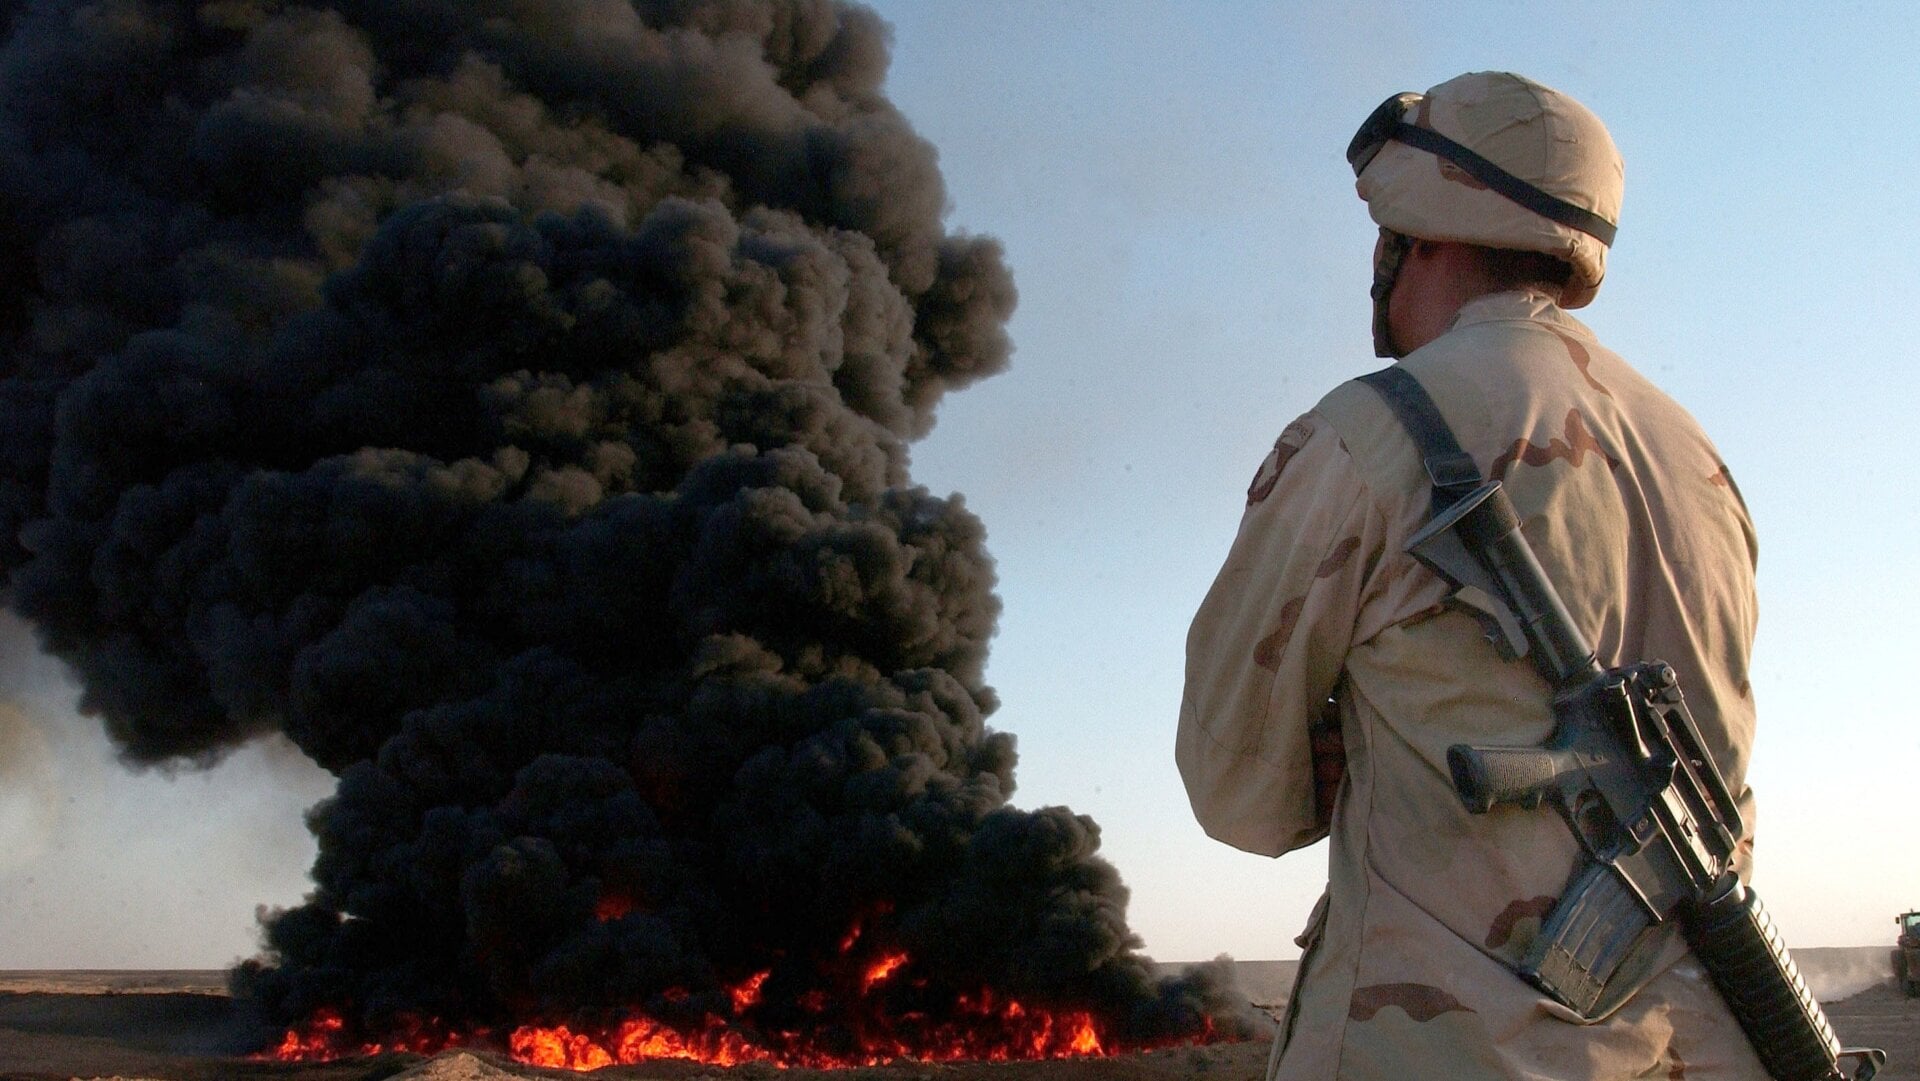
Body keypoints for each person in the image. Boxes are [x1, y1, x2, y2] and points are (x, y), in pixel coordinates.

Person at [1177, 72, 1768, 1079]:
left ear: (1419, 229)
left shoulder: (1370, 436)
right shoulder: (1697, 457)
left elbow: (1238, 788)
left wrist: (1349, 734)